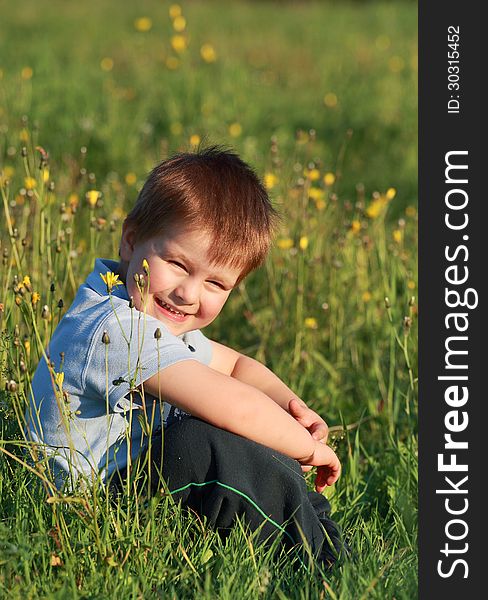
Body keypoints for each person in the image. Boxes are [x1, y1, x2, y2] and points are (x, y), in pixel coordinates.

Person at [26, 146, 343, 567]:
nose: (188, 294)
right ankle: (317, 559)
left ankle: (308, 521)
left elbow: (235, 367)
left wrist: (290, 407)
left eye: (216, 283)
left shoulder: (151, 316)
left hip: (131, 483)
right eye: (176, 263)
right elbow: (237, 406)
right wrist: (307, 449)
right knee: (205, 442)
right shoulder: (113, 328)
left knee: (244, 430)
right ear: (131, 240)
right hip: (87, 510)